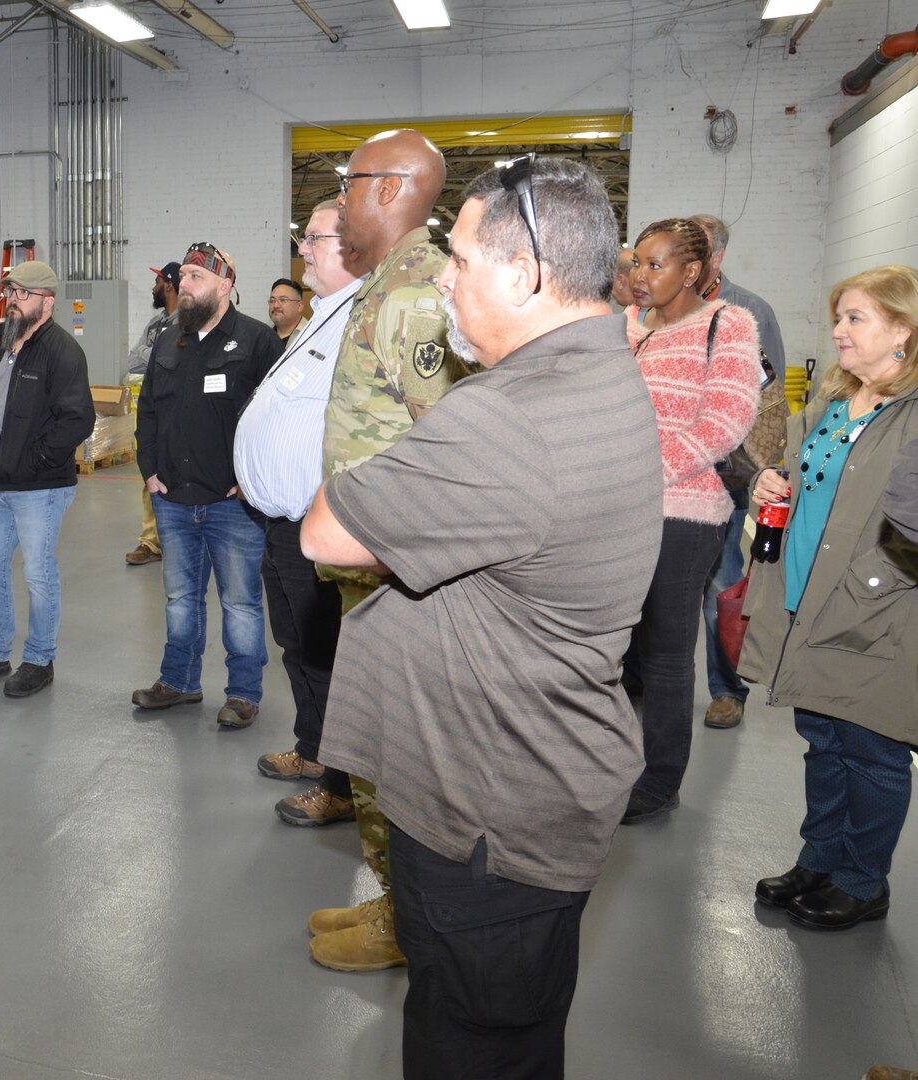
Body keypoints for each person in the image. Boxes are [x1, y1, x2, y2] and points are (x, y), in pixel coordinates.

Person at [302, 156, 663, 1078]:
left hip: (486, 822)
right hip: (525, 792)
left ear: (523, 273)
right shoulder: (599, 371)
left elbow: (326, 532)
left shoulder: (509, 416)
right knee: (501, 1034)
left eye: (456, 260)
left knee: (471, 1048)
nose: (444, 280)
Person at [301, 128, 461, 974]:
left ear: (391, 188)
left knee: (397, 754)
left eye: (350, 182)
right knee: (368, 742)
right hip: (366, 564)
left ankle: (409, 919)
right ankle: (391, 898)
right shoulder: (384, 286)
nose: (341, 198)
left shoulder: (416, 296)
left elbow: (447, 444)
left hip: (397, 573)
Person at [741, 264, 918, 931]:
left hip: (872, 608)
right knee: (821, 738)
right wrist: (770, 488)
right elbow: (804, 476)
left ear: (901, 330)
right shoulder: (830, 400)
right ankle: (818, 857)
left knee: (870, 751)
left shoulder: (912, 414)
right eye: (838, 317)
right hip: (803, 595)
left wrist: (873, 587)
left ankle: (861, 879)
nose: (838, 331)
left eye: (855, 319)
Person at [621, 218, 760, 823]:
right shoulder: (623, 328)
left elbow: (726, 421)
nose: (641, 276)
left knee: (666, 651)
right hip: (617, 511)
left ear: (693, 271)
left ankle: (659, 782)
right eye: (637, 264)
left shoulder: (727, 324)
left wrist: (649, 470)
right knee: (615, 650)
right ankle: (613, 765)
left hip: (687, 510)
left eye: (656, 265)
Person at [235, 201, 364, 819]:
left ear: (353, 246)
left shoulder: (360, 319)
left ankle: (342, 786)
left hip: (320, 520)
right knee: (296, 642)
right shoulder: (321, 315)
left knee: (329, 651)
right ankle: (314, 749)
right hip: (282, 522)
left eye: (313, 239)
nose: (303, 249)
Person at [131, 243, 281, 728]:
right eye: (186, 276)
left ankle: (242, 693)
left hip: (231, 502)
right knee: (179, 598)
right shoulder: (169, 340)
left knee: (239, 602)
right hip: (173, 497)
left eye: (196, 277)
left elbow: (276, 417)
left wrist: (249, 478)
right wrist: (149, 468)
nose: (186, 285)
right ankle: (179, 681)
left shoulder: (257, 341)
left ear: (225, 284)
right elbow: (148, 408)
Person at [0, 260, 93, 698]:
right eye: (11, 293)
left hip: (40, 487)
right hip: (2, 484)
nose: (13, 301)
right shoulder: (9, 346)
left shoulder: (62, 351)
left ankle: (40, 659)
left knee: (39, 575)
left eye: (22, 294)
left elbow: (78, 418)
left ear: (47, 301)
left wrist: (37, 458)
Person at [689, 214, 787, 730]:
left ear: (718, 256)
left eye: (696, 248)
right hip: (663, 476)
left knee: (720, 587)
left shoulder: (749, 311)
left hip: (723, 479)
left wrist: (755, 474)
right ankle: (640, 675)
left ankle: (728, 690)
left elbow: (768, 406)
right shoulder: (653, 305)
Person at [125, 262, 181, 567]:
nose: (153, 286)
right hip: (152, 410)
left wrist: (156, 353)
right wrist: (161, 350)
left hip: (178, 410)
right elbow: (133, 361)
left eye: (157, 281)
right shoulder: (155, 324)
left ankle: (179, 538)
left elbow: (180, 361)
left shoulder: (188, 321)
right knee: (150, 473)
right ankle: (151, 541)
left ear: (169, 285)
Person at [267, 277, 307, 346]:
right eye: (272, 300)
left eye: (283, 300)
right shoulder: (264, 336)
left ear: (300, 306)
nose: (276, 305)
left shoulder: (312, 334)